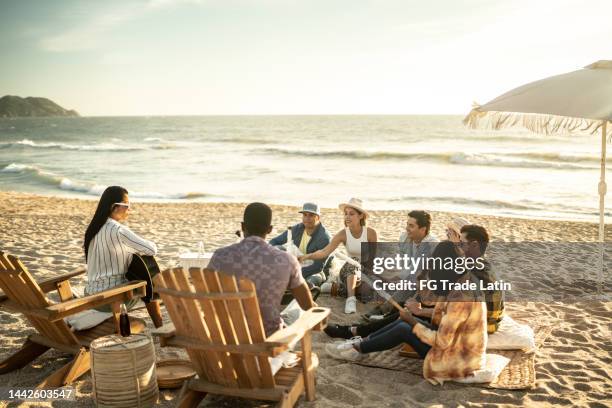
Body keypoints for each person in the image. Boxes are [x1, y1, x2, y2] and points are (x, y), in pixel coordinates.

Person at [327, 241, 488, 385]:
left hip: (459, 360)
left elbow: (442, 342)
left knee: (404, 328)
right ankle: (360, 342)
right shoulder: (463, 281)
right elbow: (449, 318)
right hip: (458, 347)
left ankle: (357, 349)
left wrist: (413, 320)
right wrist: (420, 312)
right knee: (402, 321)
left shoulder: (461, 297)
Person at [208, 202, 316, 336]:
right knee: (293, 312)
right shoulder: (286, 260)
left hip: (227, 336)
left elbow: (207, 296)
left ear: (242, 227)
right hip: (268, 341)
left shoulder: (220, 256)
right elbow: (307, 306)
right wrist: (320, 312)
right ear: (270, 229)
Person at [84, 186, 163, 327]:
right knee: (148, 276)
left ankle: (160, 325)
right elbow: (151, 249)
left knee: (141, 268)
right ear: (114, 207)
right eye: (127, 206)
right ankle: (160, 325)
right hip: (110, 299)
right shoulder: (117, 230)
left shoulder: (93, 227)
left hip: (90, 294)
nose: (129, 210)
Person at [300, 198, 377, 314]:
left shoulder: (371, 233)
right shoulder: (343, 234)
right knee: (354, 260)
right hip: (348, 270)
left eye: (351, 214)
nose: (347, 217)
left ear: (361, 216)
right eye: (346, 214)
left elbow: (374, 257)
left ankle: (333, 288)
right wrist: (305, 257)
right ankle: (351, 299)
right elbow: (324, 252)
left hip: (365, 270)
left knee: (367, 295)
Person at [361, 210, 439, 321]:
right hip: (410, 279)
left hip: (427, 285)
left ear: (423, 229)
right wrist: (393, 279)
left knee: (407, 285)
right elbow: (405, 265)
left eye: (411, 226)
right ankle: (339, 289)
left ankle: (384, 310)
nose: (407, 228)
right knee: (376, 281)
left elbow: (418, 273)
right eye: (407, 224)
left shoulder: (431, 245)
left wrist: (398, 280)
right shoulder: (405, 238)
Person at [269, 202, 333, 288]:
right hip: (298, 263)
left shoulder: (324, 237)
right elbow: (275, 241)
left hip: (315, 270)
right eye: (305, 215)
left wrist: (294, 273)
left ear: (318, 217)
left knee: (313, 280)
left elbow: (318, 266)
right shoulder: (297, 228)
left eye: (311, 215)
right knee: (277, 248)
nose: (307, 218)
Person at [460, 224, 504, 334]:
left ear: (474, 245)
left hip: (483, 325)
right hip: (492, 322)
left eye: (461, 243)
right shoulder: (482, 263)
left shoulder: (474, 269)